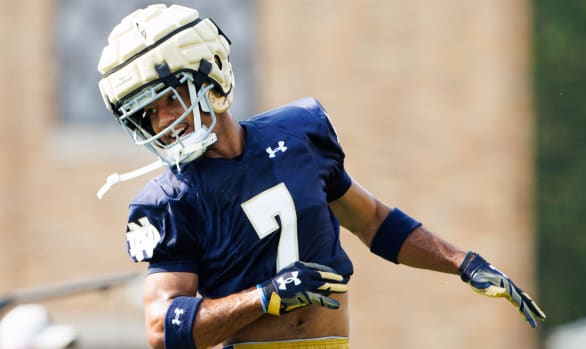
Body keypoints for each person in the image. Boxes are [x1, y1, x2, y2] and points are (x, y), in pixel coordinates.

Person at [96, 4, 546, 349]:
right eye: (148, 114)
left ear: (210, 81)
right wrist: (266, 296)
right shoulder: (169, 199)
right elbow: (162, 328)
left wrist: (463, 263)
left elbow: (371, 222)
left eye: (170, 101)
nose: (161, 123)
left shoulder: (299, 135)